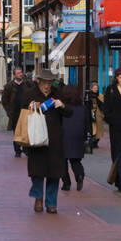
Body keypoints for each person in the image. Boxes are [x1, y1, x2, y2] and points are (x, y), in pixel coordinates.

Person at [26, 69, 70, 213]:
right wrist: (30, 107)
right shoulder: (31, 93)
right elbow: (20, 112)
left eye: (49, 83)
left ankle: (51, 203)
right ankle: (38, 197)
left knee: (54, 172)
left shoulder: (58, 93)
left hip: (54, 138)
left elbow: (70, 112)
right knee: (37, 170)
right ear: (39, 81)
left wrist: (62, 105)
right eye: (44, 82)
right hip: (37, 137)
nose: (47, 86)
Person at [2, 67, 39, 157]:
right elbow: (5, 100)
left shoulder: (28, 84)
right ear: (14, 75)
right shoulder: (9, 86)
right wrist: (8, 112)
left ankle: (26, 149)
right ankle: (17, 150)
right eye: (18, 73)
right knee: (17, 132)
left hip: (26, 111)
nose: (20, 74)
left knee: (26, 131)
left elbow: (35, 93)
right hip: (15, 112)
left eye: (21, 72)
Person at [60, 85, 88, 192]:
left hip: (63, 135)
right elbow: (87, 123)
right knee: (75, 160)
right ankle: (79, 174)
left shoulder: (62, 107)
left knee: (62, 161)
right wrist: (85, 136)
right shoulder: (83, 108)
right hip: (78, 136)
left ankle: (66, 184)